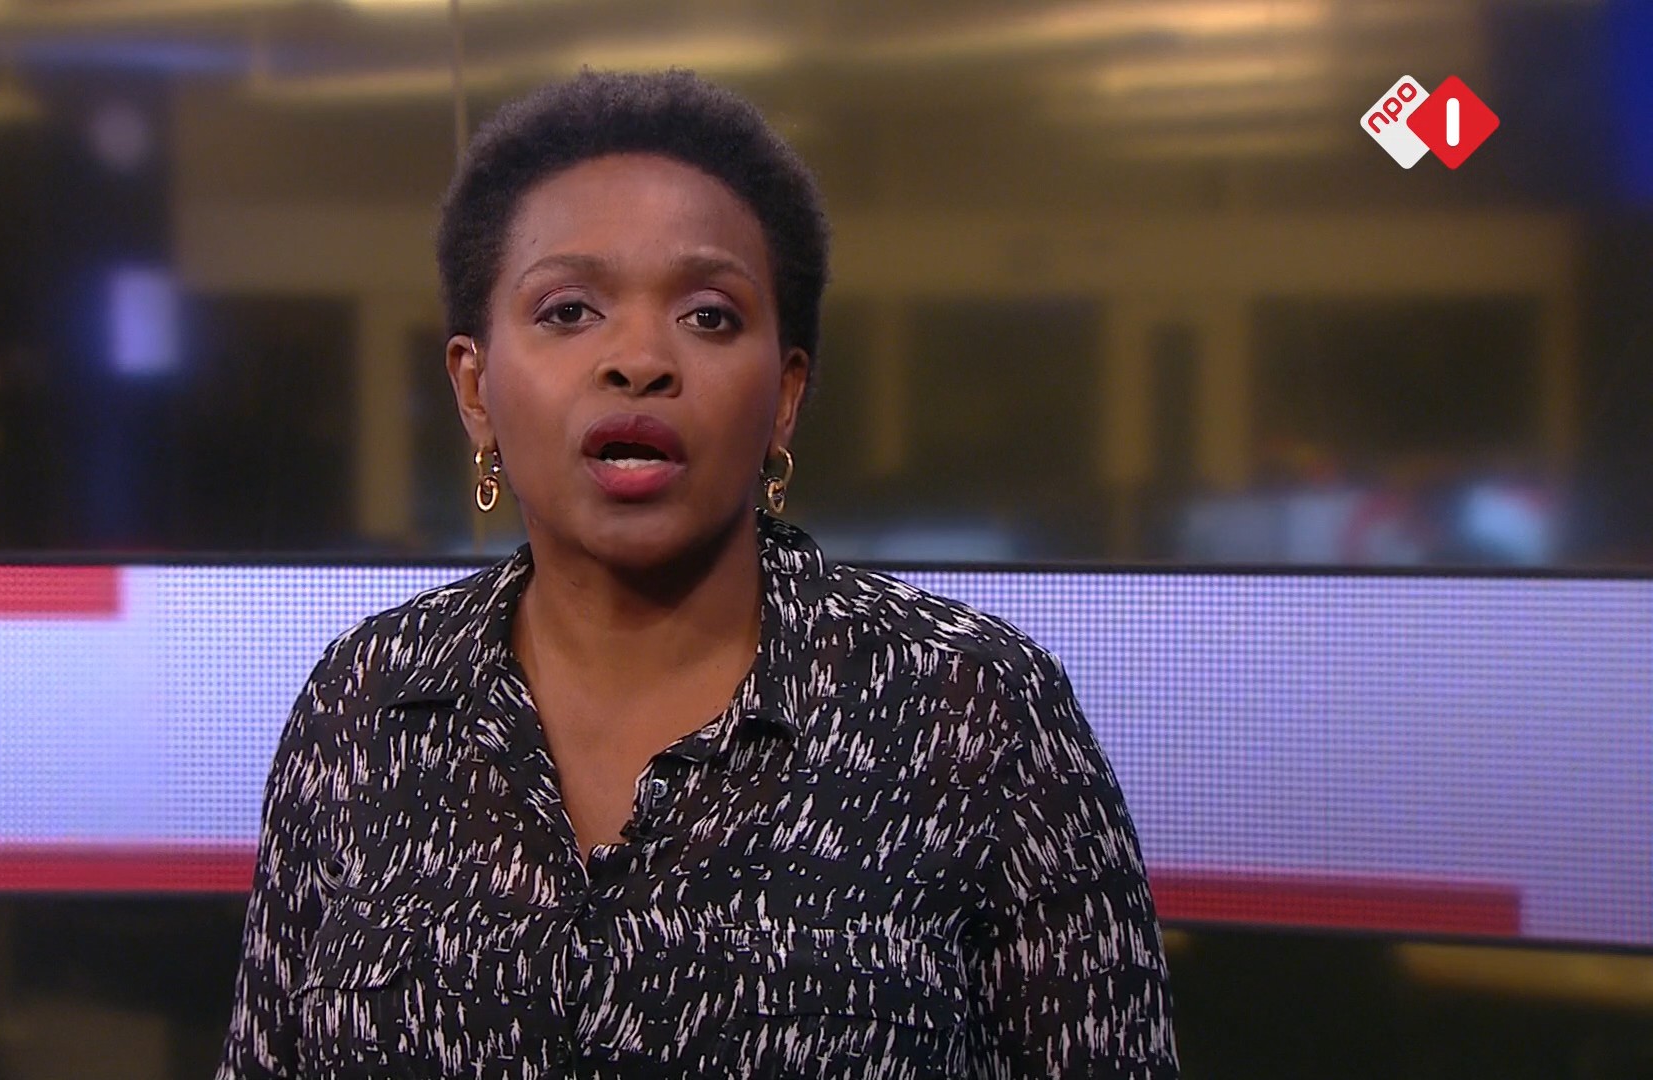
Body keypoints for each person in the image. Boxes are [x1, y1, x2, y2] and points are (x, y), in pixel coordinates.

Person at [217, 68, 1177, 1079]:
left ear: (787, 395)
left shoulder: (975, 713)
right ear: (475, 388)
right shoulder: (363, 705)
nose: (640, 360)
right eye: (569, 311)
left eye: (710, 316)